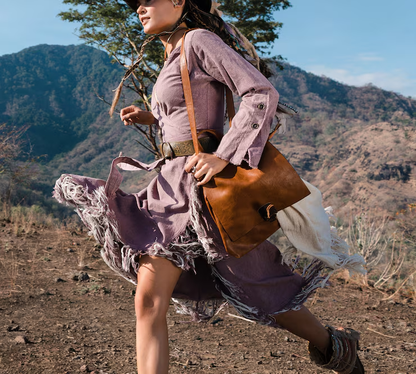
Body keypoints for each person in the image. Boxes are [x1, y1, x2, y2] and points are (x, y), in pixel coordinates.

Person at [53, 0, 366, 373]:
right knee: (149, 301)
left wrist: (227, 156)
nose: (139, 7)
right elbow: (194, 111)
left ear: (179, 1)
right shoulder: (172, 53)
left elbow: (260, 93)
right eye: (135, 2)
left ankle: (335, 345)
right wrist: (152, 118)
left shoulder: (199, 40)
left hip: (206, 191)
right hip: (170, 189)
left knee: (259, 286)